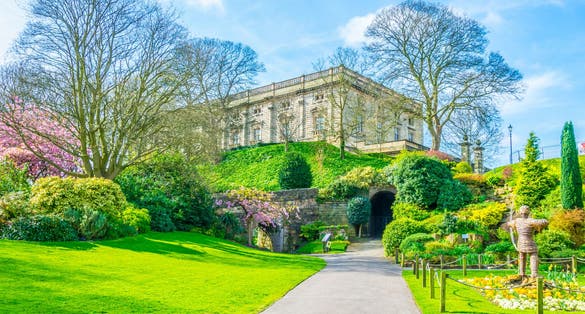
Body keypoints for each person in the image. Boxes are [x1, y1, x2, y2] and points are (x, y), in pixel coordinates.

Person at [506, 205, 548, 278]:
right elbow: (545, 222)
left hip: (520, 241)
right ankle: (534, 273)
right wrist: (543, 222)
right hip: (529, 241)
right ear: (528, 213)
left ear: (520, 213)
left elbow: (508, 223)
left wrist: (512, 224)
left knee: (522, 255)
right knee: (533, 254)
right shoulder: (531, 221)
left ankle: (521, 272)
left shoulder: (517, 221)